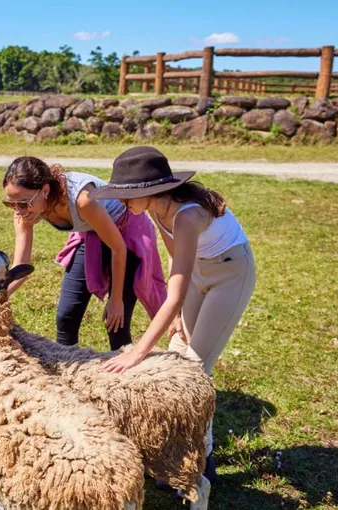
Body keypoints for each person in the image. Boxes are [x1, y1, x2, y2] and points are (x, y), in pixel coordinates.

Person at [92, 146, 256, 482]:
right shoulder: (156, 209)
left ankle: (202, 466)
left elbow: (175, 291)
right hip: (196, 273)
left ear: (149, 190)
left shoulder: (187, 216)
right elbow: (174, 258)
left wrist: (138, 352)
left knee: (194, 372)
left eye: (126, 196)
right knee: (176, 356)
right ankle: (175, 456)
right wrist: (178, 312)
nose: (121, 203)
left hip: (230, 274)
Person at [2, 156, 166, 350]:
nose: (18, 211)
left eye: (23, 203)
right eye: (10, 204)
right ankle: (67, 364)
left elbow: (118, 248)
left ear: (45, 190)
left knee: (116, 324)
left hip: (125, 234)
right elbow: (21, 267)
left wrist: (115, 300)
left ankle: (126, 367)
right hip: (91, 235)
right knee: (66, 317)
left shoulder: (82, 200)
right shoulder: (24, 209)